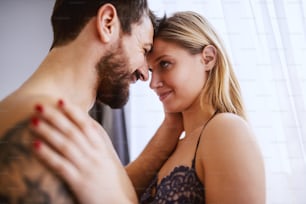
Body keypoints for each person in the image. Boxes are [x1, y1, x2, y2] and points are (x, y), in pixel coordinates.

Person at [30, 11, 266, 203]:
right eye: (152, 70)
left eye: (165, 64)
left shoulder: (226, 130)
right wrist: (171, 126)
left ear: (208, 58)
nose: (153, 83)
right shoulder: (175, 145)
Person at [0, 1, 184, 203]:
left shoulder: (71, 126)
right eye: (143, 49)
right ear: (107, 23)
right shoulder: (44, 132)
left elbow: (108, 187)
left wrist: (171, 128)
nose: (144, 75)